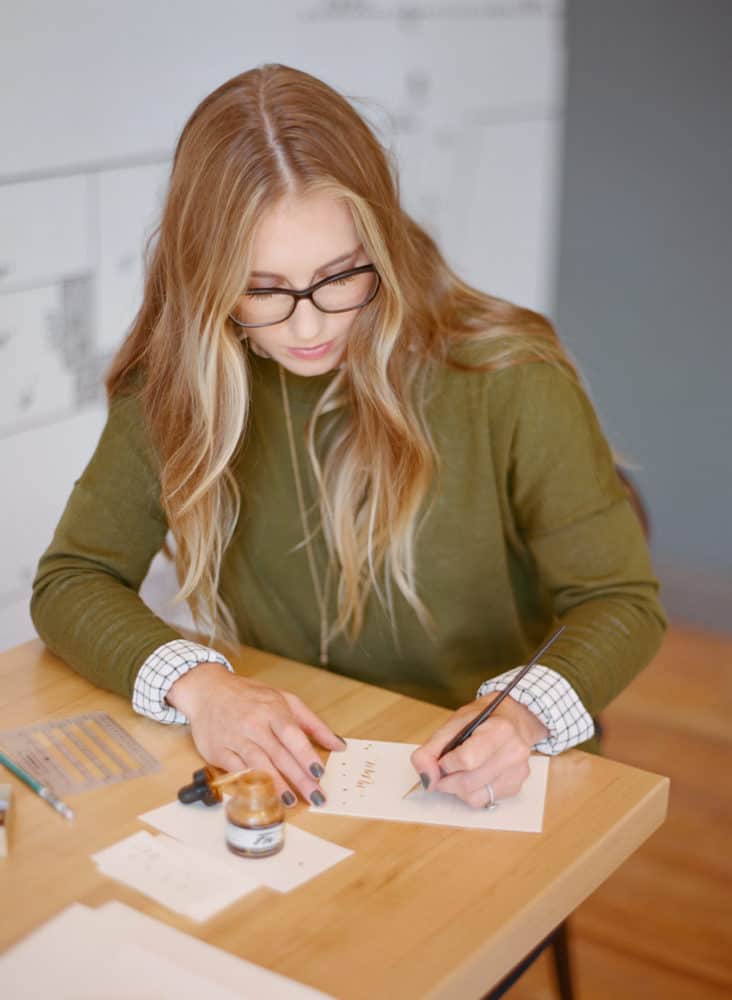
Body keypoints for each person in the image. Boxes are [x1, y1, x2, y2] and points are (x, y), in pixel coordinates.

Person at [30, 64, 665, 813]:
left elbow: (621, 600)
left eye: (340, 277)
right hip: (301, 770)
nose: (308, 326)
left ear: (382, 242)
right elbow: (72, 579)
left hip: (482, 780)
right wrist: (202, 689)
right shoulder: (178, 388)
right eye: (263, 288)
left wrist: (521, 718)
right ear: (204, 277)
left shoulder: (505, 373)